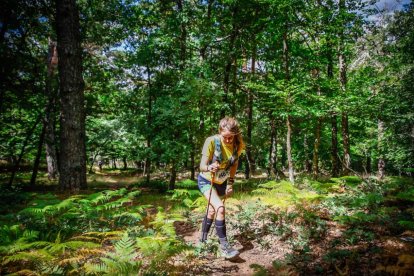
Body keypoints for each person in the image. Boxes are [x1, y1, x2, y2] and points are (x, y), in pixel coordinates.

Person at [198, 117, 245, 259]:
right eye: (226, 137)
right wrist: (209, 167)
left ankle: (202, 241)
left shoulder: (238, 145)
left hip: (222, 182)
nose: (229, 141)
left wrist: (230, 183)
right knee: (220, 208)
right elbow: (201, 166)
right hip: (206, 180)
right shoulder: (211, 141)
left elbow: (234, 164)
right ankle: (225, 248)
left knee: (212, 210)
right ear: (220, 132)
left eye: (232, 137)